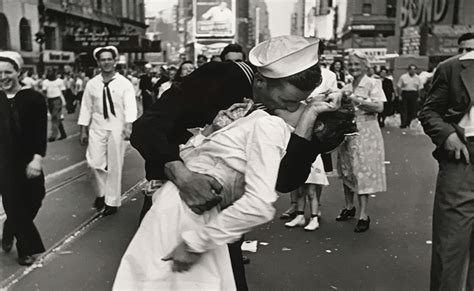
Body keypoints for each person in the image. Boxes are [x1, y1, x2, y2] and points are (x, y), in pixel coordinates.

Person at [114, 35, 340, 290]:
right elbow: (146, 127)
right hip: (178, 204)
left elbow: (286, 180)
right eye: (287, 101)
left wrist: (311, 122)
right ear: (261, 80)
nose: (291, 109)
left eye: (299, 102)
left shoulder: (276, 115)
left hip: (219, 217)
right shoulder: (220, 78)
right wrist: (181, 175)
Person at [418, 32, 474, 291]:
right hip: (462, 158)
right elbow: (429, 111)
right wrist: (448, 135)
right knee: (451, 245)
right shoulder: (451, 68)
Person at [78, 46, 137, 216]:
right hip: (97, 127)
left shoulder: (124, 83)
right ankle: (101, 193)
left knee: (115, 166)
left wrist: (128, 126)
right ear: (98, 62)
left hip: (117, 128)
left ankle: (111, 202)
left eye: (109, 59)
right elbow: (86, 108)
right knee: (94, 163)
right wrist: (83, 130)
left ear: (115, 61)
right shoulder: (92, 84)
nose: (106, 62)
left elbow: (130, 106)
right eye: (103, 59)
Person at [0, 52, 47, 266]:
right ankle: (25, 248)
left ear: (18, 72)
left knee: (35, 198)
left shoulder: (34, 98)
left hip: (28, 159)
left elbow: (40, 131)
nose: (3, 76)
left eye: (8, 72)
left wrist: (37, 159)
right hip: (3, 162)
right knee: (13, 203)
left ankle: (9, 228)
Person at [335, 50, 387, 232]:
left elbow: (379, 106)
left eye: (357, 64)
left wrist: (355, 100)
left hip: (367, 133)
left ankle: (364, 214)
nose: (353, 67)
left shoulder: (373, 83)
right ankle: (349, 207)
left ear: (366, 66)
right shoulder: (347, 86)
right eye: (351, 64)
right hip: (348, 133)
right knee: (347, 170)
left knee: (362, 172)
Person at [42, 70, 67, 141]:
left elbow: (63, 91)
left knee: (54, 117)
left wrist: (62, 100)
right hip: (50, 100)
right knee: (56, 117)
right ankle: (63, 133)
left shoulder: (59, 81)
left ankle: (53, 136)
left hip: (57, 100)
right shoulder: (45, 82)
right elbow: (44, 92)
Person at [397, 64, 422, 128]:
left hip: (414, 94)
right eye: (411, 69)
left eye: (414, 69)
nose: (412, 71)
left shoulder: (418, 78)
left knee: (412, 109)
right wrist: (399, 95)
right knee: (404, 109)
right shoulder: (403, 77)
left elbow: (419, 88)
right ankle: (403, 123)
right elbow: (399, 86)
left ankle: (408, 122)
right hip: (405, 93)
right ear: (408, 70)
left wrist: (419, 96)